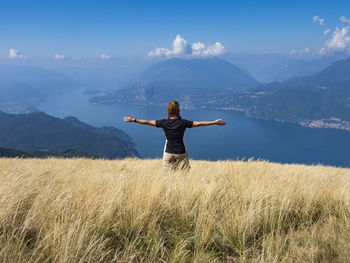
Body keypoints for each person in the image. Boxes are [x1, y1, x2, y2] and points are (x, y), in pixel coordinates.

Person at [124, 100, 226, 170]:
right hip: (181, 153)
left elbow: (147, 122)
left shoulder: (164, 123)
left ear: (168, 110)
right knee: (183, 177)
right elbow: (199, 123)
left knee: (168, 179)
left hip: (168, 153)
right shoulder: (183, 123)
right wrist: (214, 122)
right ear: (178, 110)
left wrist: (134, 120)